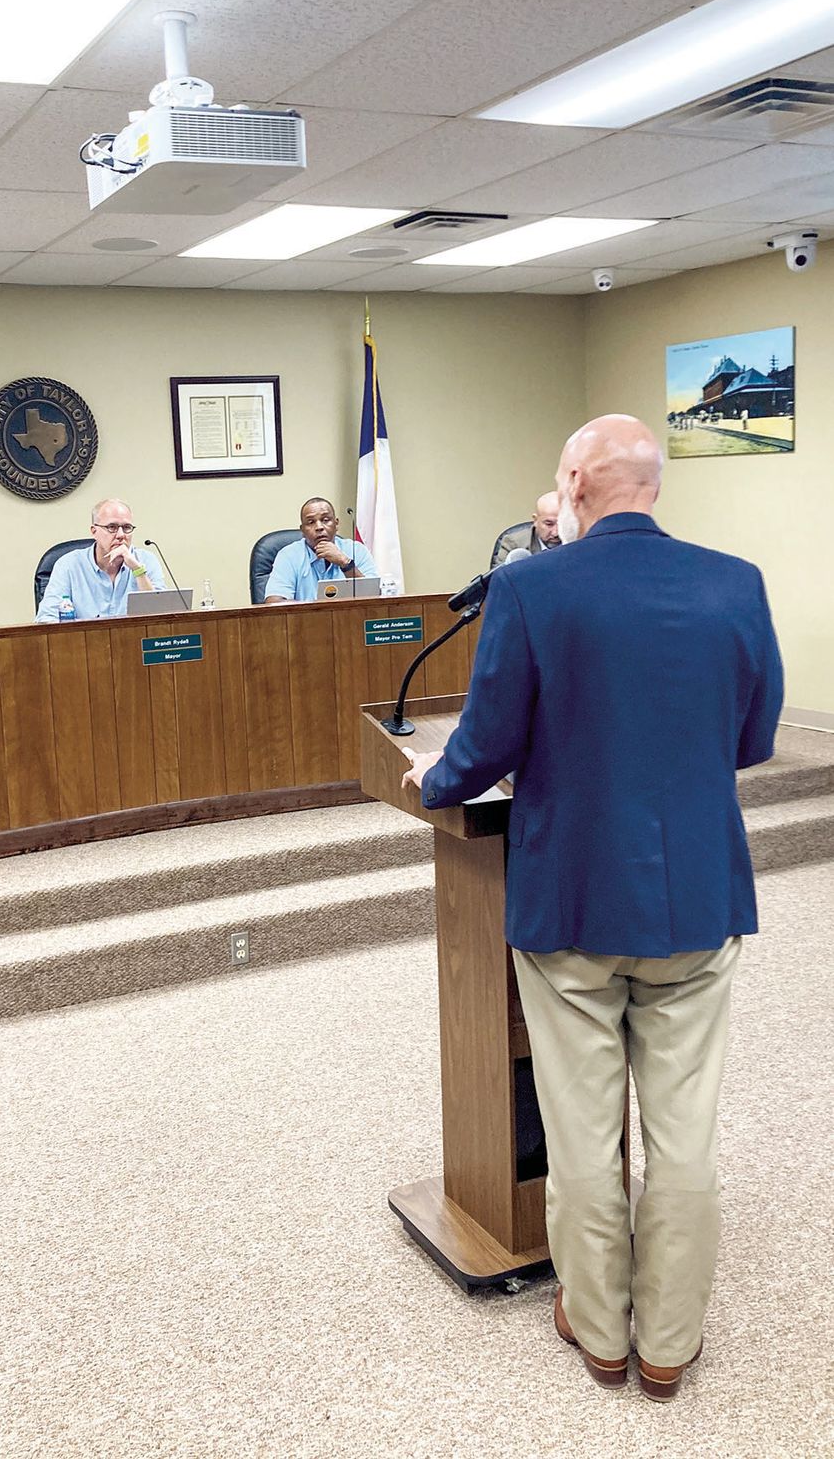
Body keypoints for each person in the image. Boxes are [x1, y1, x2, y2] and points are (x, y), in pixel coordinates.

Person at [401, 414, 782, 1401]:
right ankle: (669, 1339)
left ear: (573, 481)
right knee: (684, 1130)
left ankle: (600, 1326)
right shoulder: (735, 581)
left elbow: (482, 746)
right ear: (653, 485)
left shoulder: (530, 586)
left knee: (581, 1130)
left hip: (570, 895)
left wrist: (432, 781)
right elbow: (754, 736)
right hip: (697, 896)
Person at [36, 498, 164, 622]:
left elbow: (161, 617)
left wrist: (138, 571)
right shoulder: (69, 565)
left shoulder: (146, 560)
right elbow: (47, 618)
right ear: (94, 531)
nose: (121, 535)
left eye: (126, 527)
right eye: (112, 527)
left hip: (134, 640)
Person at [263, 497, 378, 603]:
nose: (319, 527)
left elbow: (374, 597)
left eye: (325, 520)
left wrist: (345, 563)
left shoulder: (356, 550)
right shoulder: (288, 555)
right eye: (311, 522)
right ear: (302, 530)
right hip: (304, 623)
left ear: (336, 524)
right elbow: (274, 602)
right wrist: (316, 611)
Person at [491, 491, 562, 567]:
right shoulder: (514, 543)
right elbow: (499, 577)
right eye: (549, 524)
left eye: (562, 524)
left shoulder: (575, 541)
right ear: (535, 520)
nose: (556, 533)